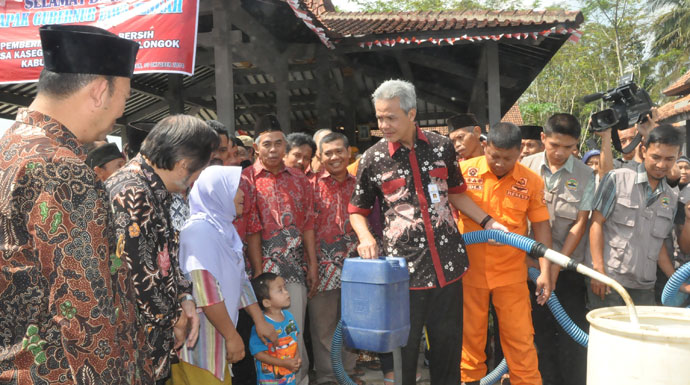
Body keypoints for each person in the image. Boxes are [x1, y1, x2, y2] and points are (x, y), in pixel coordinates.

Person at [0, 24, 153, 383]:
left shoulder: (12, 147)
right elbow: (87, 313)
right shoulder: (60, 168)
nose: (120, 111)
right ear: (101, 91)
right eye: (125, 97)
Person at [348, 79, 507, 385]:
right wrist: (366, 237)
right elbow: (357, 209)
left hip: (448, 267)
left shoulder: (442, 147)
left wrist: (488, 222)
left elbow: (457, 193)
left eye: (391, 117)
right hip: (401, 275)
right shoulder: (373, 158)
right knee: (404, 356)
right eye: (380, 117)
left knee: (448, 352)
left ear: (411, 113)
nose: (384, 124)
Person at [107, 115, 219, 384]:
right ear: (183, 165)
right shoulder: (134, 193)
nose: (195, 181)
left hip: (150, 341)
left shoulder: (153, 188)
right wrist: (174, 320)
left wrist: (184, 297)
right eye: (199, 171)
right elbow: (139, 278)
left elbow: (167, 252)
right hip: (134, 344)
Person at [459, 122, 553, 385]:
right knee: (470, 343)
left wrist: (545, 270)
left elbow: (542, 227)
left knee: (521, 343)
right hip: (468, 274)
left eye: (507, 158)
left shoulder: (531, 181)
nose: (500, 163)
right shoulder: (463, 172)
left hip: (511, 275)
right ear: (485, 147)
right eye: (494, 156)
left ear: (520, 152)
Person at [177, 166, 278, 384]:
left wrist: (259, 320)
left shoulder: (223, 230)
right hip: (202, 344)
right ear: (216, 193)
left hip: (218, 338)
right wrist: (232, 336)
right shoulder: (199, 233)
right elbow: (206, 294)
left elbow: (240, 281)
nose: (242, 195)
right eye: (234, 189)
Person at [242, 114, 316, 385]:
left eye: (278, 144)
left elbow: (308, 223)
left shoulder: (299, 178)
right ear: (256, 148)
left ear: (285, 147)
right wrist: (261, 276)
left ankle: (300, 379)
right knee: (261, 337)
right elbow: (252, 228)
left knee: (292, 330)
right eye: (267, 144)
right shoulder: (246, 179)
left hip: (293, 271)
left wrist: (313, 264)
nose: (273, 149)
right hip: (257, 271)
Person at [521, 114, 595, 385]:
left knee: (570, 339)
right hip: (528, 267)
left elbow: (580, 223)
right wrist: (537, 267)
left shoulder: (586, 175)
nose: (561, 152)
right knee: (535, 336)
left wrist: (553, 267)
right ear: (543, 138)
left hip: (568, 270)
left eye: (569, 147)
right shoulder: (524, 167)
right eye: (554, 145)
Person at [588, 124, 690, 309]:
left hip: (644, 286)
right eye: (656, 157)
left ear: (677, 157)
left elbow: (659, 247)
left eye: (669, 159)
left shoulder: (672, 198)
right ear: (644, 151)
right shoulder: (617, 179)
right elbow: (596, 223)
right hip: (609, 280)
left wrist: (678, 282)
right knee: (610, 337)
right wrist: (598, 271)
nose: (661, 165)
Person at [309, 132, 361, 385]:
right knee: (324, 326)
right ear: (319, 156)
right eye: (327, 153)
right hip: (323, 266)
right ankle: (329, 377)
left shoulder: (361, 183)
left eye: (338, 151)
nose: (334, 157)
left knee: (352, 323)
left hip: (357, 266)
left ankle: (348, 375)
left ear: (349, 152)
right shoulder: (310, 186)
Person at [250, 273, 302, 385]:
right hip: (270, 380)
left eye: (285, 288)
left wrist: (296, 358)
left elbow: (293, 339)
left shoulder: (289, 316)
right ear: (267, 302)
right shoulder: (262, 325)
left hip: (289, 377)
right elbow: (257, 353)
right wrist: (283, 363)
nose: (286, 292)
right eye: (280, 290)